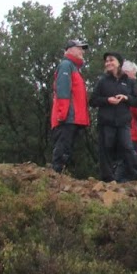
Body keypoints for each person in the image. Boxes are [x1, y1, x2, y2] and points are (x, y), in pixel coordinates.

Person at [90, 53, 137, 183]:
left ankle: (135, 175)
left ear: (119, 63)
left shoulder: (129, 82)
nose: (108, 63)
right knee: (106, 148)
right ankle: (108, 178)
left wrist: (126, 98)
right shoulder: (102, 81)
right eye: (106, 61)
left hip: (123, 121)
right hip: (106, 121)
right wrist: (107, 100)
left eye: (111, 60)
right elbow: (93, 101)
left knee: (127, 147)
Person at [49, 39, 91, 174]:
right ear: (69, 50)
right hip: (66, 117)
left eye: (82, 49)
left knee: (67, 150)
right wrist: (62, 114)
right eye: (79, 48)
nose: (82, 51)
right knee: (62, 149)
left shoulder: (74, 68)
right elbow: (63, 91)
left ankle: (60, 176)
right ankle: (56, 176)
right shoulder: (66, 65)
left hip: (73, 118)